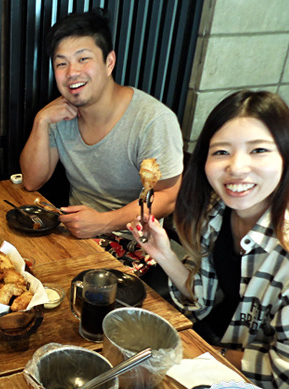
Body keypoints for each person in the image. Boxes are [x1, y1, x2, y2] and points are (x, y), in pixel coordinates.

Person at [127, 90, 289, 389]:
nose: (237, 168)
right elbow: (203, 297)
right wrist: (162, 252)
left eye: (258, 150)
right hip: (213, 349)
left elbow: (284, 377)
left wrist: (208, 356)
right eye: (221, 152)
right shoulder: (217, 211)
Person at [20, 9, 183, 275]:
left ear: (109, 62)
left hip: (134, 244)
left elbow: (169, 196)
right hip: (72, 235)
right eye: (61, 63)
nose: (72, 72)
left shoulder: (152, 120)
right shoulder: (59, 115)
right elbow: (32, 181)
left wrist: (103, 222)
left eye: (83, 59)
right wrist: (41, 121)